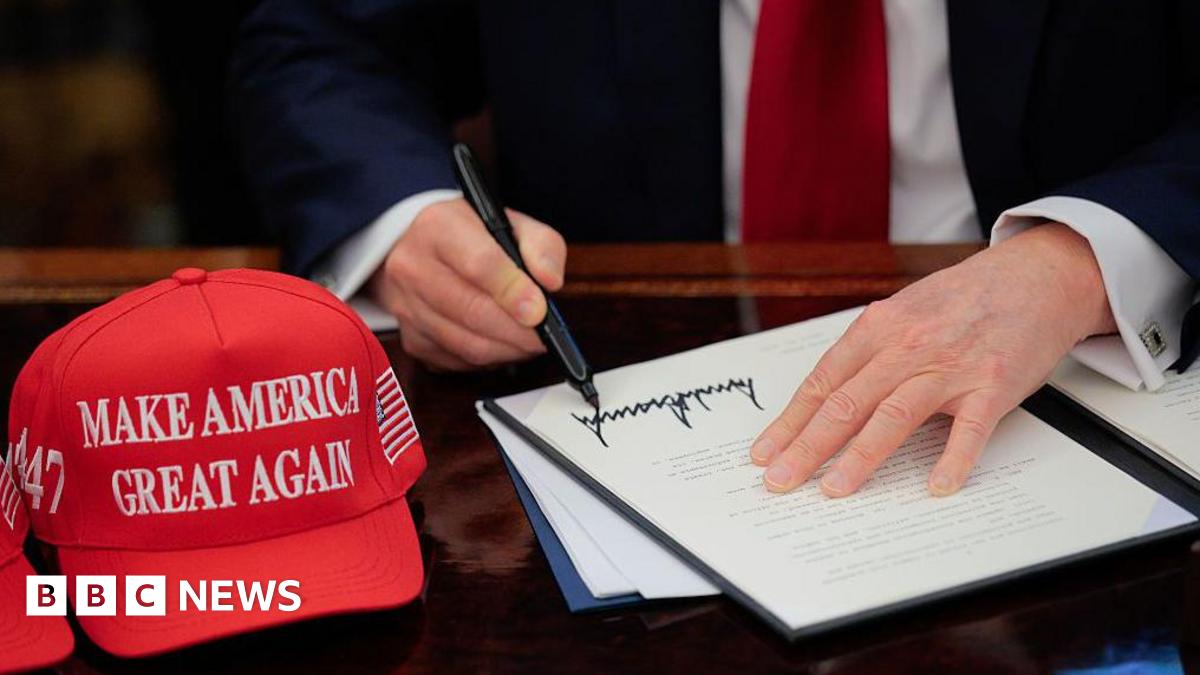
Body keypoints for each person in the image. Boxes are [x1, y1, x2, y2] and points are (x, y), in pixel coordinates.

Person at [230, 0, 1200, 498]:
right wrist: (408, 221)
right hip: (609, 397)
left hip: (1078, 387)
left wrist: (1079, 259)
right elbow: (319, 44)